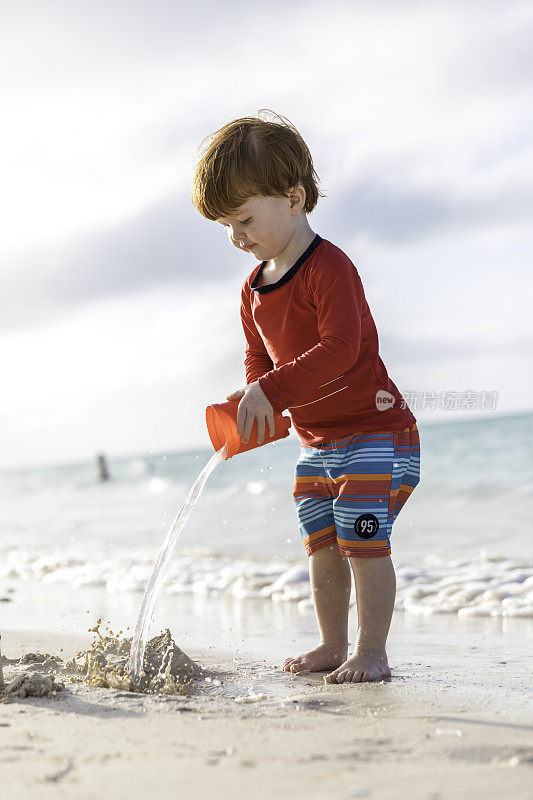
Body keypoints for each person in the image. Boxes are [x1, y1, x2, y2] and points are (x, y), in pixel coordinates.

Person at [191, 109, 421, 684]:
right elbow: (260, 363)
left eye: (244, 218)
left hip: (376, 432)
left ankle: (372, 652)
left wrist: (271, 388)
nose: (235, 236)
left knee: (362, 538)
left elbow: (341, 349)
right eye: (226, 225)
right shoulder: (252, 290)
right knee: (322, 543)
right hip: (316, 443)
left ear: (293, 198)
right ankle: (330, 643)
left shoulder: (329, 267)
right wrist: (253, 397)